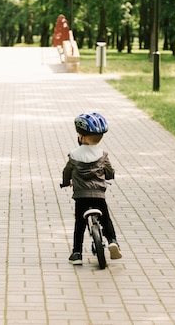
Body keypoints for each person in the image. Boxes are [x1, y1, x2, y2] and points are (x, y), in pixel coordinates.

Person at [61, 112, 122, 265]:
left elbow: (66, 171)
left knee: (79, 224)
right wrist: (109, 176)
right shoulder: (102, 154)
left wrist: (65, 181)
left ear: (81, 137)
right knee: (106, 218)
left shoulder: (74, 154)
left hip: (81, 196)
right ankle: (113, 241)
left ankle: (77, 253)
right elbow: (109, 171)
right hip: (99, 196)